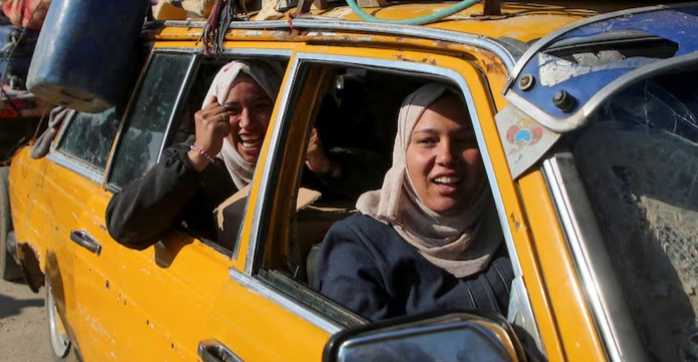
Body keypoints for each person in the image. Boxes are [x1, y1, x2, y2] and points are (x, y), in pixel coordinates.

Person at [314, 83, 512, 322]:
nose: (447, 156)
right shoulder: (358, 247)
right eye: (427, 141)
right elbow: (368, 355)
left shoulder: (517, 224)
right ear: (401, 153)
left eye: (465, 140)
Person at [107, 60, 282, 250]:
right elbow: (124, 227)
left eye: (261, 107)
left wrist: (319, 168)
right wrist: (199, 155)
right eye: (232, 110)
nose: (247, 123)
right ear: (212, 115)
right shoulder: (195, 165)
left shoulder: (294, 157)